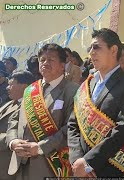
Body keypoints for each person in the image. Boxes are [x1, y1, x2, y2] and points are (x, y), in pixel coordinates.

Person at [68, 28, 124, 178]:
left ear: (113, 49)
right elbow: (73, 123)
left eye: (97, 47)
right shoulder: (87, 84)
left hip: (112, 168)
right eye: (90, 48)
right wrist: (77, 160)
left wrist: (89, 162)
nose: (91, 52)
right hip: (80, 169)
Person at [7, 43, 79, 179]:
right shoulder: (30, 89)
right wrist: (13, 141)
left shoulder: (73, 91)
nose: (45, 63)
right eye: (42, 60)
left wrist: (40, 147)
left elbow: (72, 128)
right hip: (19, 162)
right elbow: (15, 119)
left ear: (62, 65)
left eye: (51, 59)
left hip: (50, 165)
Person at [0, 71, 35, 180]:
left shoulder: (30, 106)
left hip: (9, 162)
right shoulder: (9, 103)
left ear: (24, 86)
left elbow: (23, 135)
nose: (7, 88)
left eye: (11, 84)